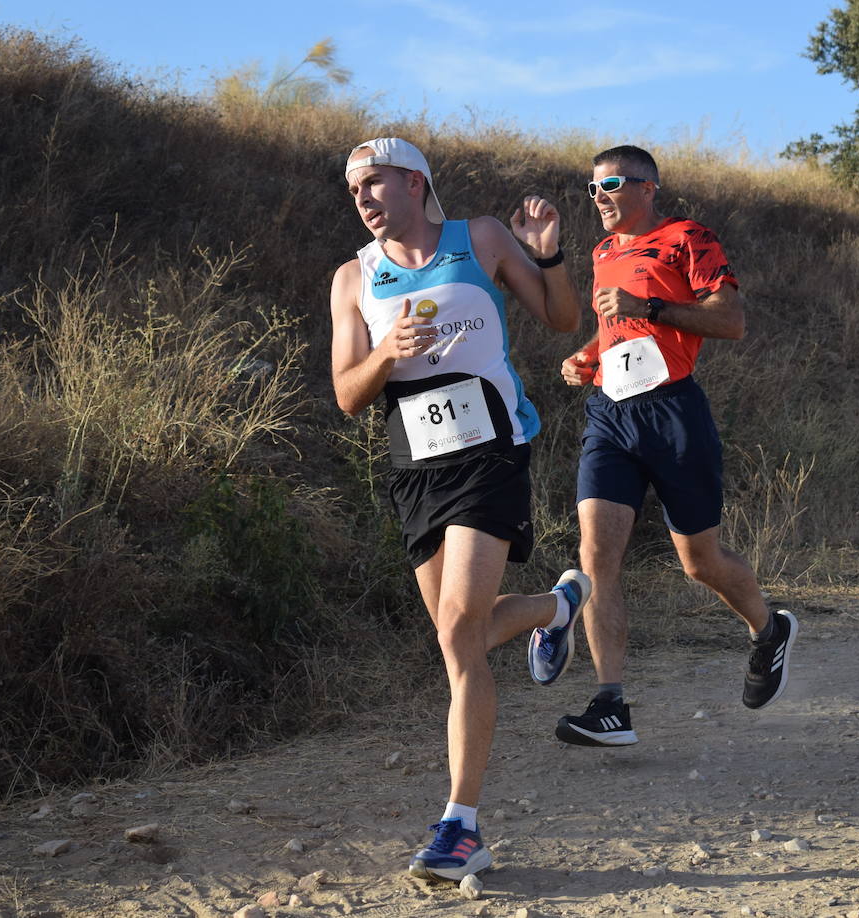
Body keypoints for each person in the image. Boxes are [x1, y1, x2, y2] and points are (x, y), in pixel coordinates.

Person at [329, 137, 590, 880]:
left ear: (415, 182)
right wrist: (387, 353)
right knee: (459, 640)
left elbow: (563, 319)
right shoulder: (354, 279)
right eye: (354, 190)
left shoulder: (477, 238)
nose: (364, 197)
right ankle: (556, 606)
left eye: (375, 182)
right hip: (415, 467)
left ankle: (461, 826)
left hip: (491, 452)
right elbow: (349, 396)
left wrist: (547, 255)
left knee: (457, 628)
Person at [527, 144, 798, 747]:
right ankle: (610, 704)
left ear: (648, 188)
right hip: (610, 414)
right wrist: (587, 358)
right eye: (592, 187)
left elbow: (730, 321)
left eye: (613, 184)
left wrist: (648, 305)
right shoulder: (602, 252)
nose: (599, 196)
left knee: (699, 562)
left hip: (674, 411)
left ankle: (768, 629)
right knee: (596, 555)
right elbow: (612, 327)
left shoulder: (687, 237)